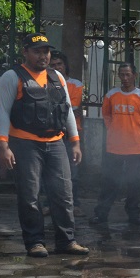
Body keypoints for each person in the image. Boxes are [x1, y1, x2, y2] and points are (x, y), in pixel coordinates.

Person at [0, 33, 89, 257]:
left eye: (46, 51)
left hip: (56, 144)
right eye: (37, 51)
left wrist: (75, 142)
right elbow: (2, 112)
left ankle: (67, 241)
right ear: (25, 52)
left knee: (63, 194)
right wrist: (3, 146)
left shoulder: (57, 77)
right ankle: (35, 242)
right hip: (25, 144)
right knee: (30, 196)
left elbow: (66, 110)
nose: (43, 55)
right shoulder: (13, 76)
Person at [89, 63, 140, 227]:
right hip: (114, 147)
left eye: (128, 75)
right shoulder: (111, 95)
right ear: (118, 76)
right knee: (109, 182)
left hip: (136, 148)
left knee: (135, 183)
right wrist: (115, 131)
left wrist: (137, 133)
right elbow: (106, 116)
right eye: (122, 75)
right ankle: (101, 214)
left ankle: (133, 214)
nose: (125, 78)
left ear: (135, 76)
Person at [47, 52, 84, 216]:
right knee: (50, 171)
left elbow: (73, 106)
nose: (56, 68)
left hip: (71, 132)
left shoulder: (75, 84)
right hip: (51, 131)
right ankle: (49, 204)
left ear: (65, 65)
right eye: (53, 65)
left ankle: (75, 204)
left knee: (73, 171)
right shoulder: (44, 82)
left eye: (59, 64)